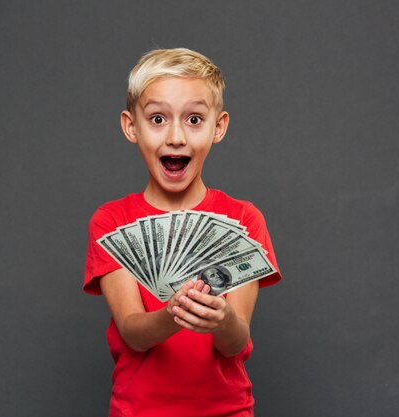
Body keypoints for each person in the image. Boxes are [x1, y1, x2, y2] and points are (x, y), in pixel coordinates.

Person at [84, 48, 282, 417]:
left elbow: (235, 344)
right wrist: (172, 313)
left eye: (194, 119)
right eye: (157, 118)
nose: (175, 136)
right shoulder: (111, 222)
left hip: (227, 410)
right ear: (131, 127)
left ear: (218, 127)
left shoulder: (244, 219)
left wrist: (221, 320)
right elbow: (133, 333)